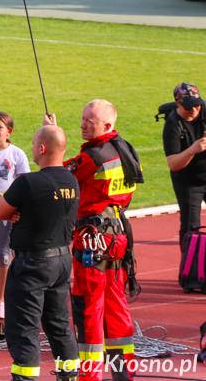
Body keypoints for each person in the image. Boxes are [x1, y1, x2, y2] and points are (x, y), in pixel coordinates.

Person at [47, 100, 142, 381]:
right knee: (116, 305)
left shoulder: (93, 156)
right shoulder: (125, 149)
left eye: (91, 120)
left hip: (92, 238)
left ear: (107, 125)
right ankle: (123, 372)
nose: (83, 124)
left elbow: (57, 175)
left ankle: (89, 376)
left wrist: (52, 139)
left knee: (89, 305)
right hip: (117, 236)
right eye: (83, 118)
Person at [0, 125, 80, 381]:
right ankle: (69, 376)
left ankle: (26, 378)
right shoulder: (72, 180)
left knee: (24, 330)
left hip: (32, 264)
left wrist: (14, 212)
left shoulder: (28, 182)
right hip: (61, 260)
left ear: (41, 149)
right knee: (59, 325)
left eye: (33, 144)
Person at [0, 111, 31, 317]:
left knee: (4, 255)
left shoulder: (17, 154)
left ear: (8, 131)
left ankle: (0, 299)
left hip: (7, 210)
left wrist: (18, 208)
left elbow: (25, 183)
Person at [162, 82, 206, 245]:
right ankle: (189, 265)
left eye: (196, 105)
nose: (194, 110)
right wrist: (192, 149)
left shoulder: (204, 109)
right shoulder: (173, 124)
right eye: (189, 107)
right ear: (178, 104)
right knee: (190, 226)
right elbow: (173, 164)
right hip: (188, 182)